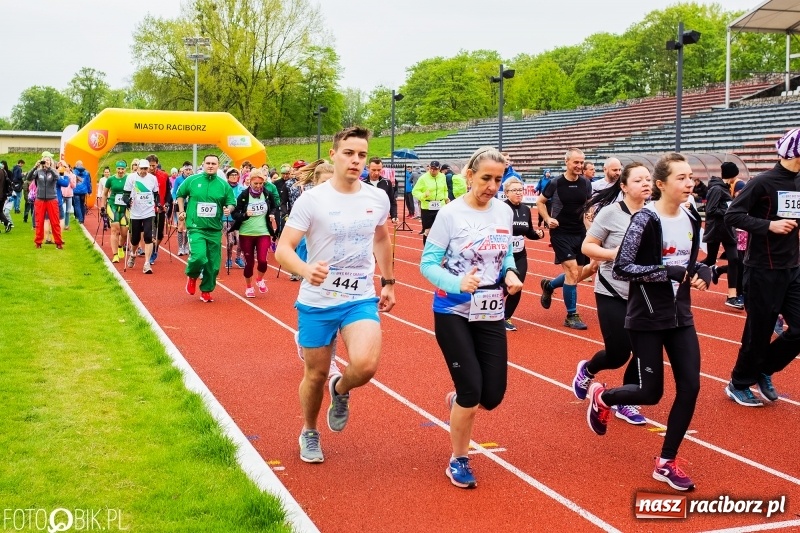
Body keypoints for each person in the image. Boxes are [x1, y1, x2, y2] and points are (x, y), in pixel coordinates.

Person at [586, 152, 711, 492]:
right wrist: (665, 271)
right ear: (661, 184)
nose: (690, 183)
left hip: (680, 315)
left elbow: (690, 261)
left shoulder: (691, 215)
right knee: (651, 393)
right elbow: (623, 267)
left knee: (691, 387)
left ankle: (666, 462)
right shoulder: (645, 219)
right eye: (682, 178)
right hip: (646, 316)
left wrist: (702, 270)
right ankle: (603, 397)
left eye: (691, 177)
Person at [275, 126, 396, 464]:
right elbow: (283, 249)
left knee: (366, 365)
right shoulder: (312, 200)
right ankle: (309, 431)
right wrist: (304, 269)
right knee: (314, 375)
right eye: (349, 153)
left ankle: (340, 388)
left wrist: (388, 281)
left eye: (362, 155)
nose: (356, 160)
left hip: (359, 297)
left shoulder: (377, 198)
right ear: (333, 155)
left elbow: (382, 238)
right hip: (318, 300)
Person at [420, 146, 523, 489]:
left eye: (498, 179)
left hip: (489, 309)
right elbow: (427, 264)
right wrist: (457, 283)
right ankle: (458, 459)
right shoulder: (450, 214)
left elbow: (505, 254)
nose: (492, 186)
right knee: (471, 391)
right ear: (469, 176)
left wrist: (510, 273)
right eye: (486, 178)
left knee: (491, 396)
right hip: (452, 309)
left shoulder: (504, 211)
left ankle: (458, 402)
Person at [724, 128, 800, 406]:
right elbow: (732, 215)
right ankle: (739, 383)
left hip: (793, 268)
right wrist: (769, 225)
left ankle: (764, 369)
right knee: (759, 332)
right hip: (762, 269)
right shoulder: (762, 182)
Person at [574, 163, 653, 426]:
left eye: (648, 179)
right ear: (624, 186)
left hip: (645, 294)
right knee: (618, 353)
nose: (645, 183)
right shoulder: (610, 213)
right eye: (638, 180)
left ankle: (626, 400)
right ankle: (588, 370)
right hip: (612, 291)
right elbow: (588, 246)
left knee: (644, 351)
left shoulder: (655, 214)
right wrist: (612, 254)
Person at [537, 148, 594, 330]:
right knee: (571, 272)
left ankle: (549, 285)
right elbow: (540, 202)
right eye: (576, 162)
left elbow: (588, 205)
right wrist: (548, 219)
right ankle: (571, 315)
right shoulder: (555, 182)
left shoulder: (586, 183)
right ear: (567, 162)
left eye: (581, 162)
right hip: (560, 233)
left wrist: (590, 220)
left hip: (580, 233)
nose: (579, 165)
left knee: (577, 274)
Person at [177, 155, 237, 302]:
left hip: (214, 229)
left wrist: (228, 209)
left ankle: (206, 290)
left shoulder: (223, 185)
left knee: (213, 264)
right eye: (208, 163)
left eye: (213, 163)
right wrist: (182, 211)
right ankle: (192, 276)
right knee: (199, 256)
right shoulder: (192, 180)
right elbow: (180, 194)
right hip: (196, 227)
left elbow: (231, 202)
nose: (210, 166)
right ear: (203, 164)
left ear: (218, 166)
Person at [502, 176, 544, 331]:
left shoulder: (526, 209)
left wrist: (537, 234)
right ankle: (484, 308)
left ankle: (506, 318)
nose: (519, 193)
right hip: (502, 255)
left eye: (520, 190)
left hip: (520, 255)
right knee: (501, 287)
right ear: (506, 193)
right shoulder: (501, 209)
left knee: (517, 286)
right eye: (514, 190)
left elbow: (528, 232)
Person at [701, 162, 742, 309]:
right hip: (716, 230)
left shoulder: (724, 187)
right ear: (733, 174)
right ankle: (688, 270)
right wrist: (729, 212)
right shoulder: (717, 188)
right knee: (710, 259)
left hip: (727, 230)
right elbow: (710, 210)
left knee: (735, 259)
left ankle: (732, 296)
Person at [230, 168, 277, 297]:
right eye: (255, 183)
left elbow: (274, 206)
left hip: (263, 232)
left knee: (262, 261)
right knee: (249, 263)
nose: (258, 186)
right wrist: (245, 214)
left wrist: (272, 214)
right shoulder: (244, 196)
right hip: (246, 233)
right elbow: (235, 214)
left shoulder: (267, 194)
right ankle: (249, 286)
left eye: (261, 183)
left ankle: (259, 279)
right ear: (250, 182)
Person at [124, 157, 160, 274]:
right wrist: (127, 201)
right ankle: (133, 254)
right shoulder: (131, 178)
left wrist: (158, 204)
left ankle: (147, 263)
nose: (144, 171)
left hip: (149, 212)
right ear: (138, 168)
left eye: (146, 169)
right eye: (142, 168)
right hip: (135, 212)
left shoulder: (152, 179)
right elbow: (125, 195)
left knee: (148, 237)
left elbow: (156, 194)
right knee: (135, 239)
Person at [28, 156, 69, 248]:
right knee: (39, 221)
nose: (46, 162)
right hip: (40, 199)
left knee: (55, 222)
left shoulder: (54, 171)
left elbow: (57, 178)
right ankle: (38, 242)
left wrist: (49, 168)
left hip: (52, 199)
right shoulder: (38, 172)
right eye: (44, 160)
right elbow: (28, 177)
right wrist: (35, 167)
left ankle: (58, 242)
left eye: (48, 160)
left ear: (51, 162)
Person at [412, 161, 449, 244]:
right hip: (427, 208)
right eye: (431, 168)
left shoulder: (443, 176)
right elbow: (415, 191)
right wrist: (423, 195)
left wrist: (446, 198)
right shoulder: (423, 178)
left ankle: (438, 249)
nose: (432, 170)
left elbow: (445, 189)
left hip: (440, 207)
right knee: (428, 231)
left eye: (435, 169)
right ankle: (427, 250)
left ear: (439, 169)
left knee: (441, 231)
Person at [145, 155, 172, 265]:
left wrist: (167, 203)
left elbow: (168, 192)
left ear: (157, 164)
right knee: (151, 233)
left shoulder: (164, 175)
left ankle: (155, 248)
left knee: (159, 234)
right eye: (150, 166)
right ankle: (150, 253)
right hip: (147, 209)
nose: (152, 168)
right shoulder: (143, 176)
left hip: (160, 209)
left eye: (154, 165)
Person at [102, 161, 130, 263]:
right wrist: (103, 206)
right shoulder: (111, 179)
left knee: (124, 233)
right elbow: (105, 194)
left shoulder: (129, 178)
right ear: (116, 169)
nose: (120, 171)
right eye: (119, 169)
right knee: (115, 230)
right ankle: (115, 255)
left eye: (122, 169)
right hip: (113, 206)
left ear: (125, 169)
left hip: (124, 208)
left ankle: (120, 246)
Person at [222, 167, 246, 269]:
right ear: (228, 177)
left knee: (240, 240)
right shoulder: (223, 188)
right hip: (226, 218)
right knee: (230, 241)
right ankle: (228, 259)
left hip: (238, 218)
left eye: (236, 175)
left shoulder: (242, 188)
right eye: (232, 175)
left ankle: (238, 258)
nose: (234, 177)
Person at [363, 157, 398, 225]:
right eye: (373, 170)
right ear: (368, 168)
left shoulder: (387, 183)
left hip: (382, 221)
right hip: (366, 220)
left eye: (379, 170)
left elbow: (392, 201)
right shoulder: (362, 183)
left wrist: (394, 216)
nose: (376, 173)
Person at [172, 164, 193, 256]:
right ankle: (180, 247)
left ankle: (186, 246)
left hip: (190, 205)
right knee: (180, 226)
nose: (188, 171)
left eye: (189, 170)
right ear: (183, 170)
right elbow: (174, 191)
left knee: (188, 226)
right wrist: (174, 199)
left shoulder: (193, 179)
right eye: (186, 169)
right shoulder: (178, 179)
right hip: (180, 204)